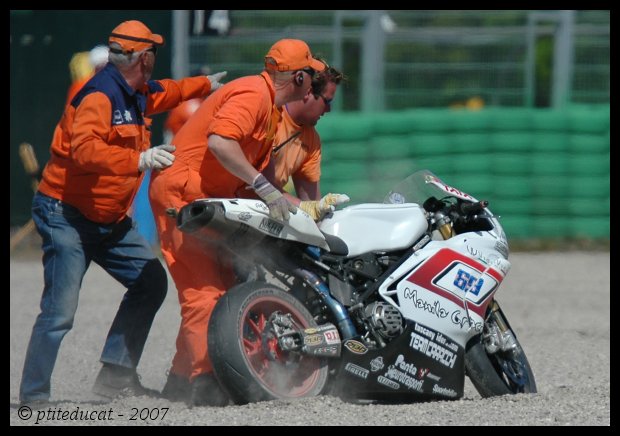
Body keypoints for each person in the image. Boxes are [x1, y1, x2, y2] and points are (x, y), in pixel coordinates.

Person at [18, 19, 227, 407]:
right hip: (65, 215)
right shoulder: (99, 96)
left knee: (149, 282)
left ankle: (114, 378)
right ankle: (33, 397)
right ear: (144, 58)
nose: (155, 62)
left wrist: (205, 85)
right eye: (153, 54)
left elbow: (169, 91)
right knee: (60, 312)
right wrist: (140, 158)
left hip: (105, 219)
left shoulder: (135, 90)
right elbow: (85, 151)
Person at [149, 38, 325, 406]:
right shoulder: (252, 95)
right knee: (204, 296)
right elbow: (221, 144)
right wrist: (268, 190)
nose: (315, 82)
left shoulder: (271, 107)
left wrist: (306, 208)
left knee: (226, 292)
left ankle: (180, 382)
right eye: (310, 73)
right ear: (296, 78)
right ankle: (205, 383)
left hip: (207, 201)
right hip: (183, 198)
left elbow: (255, 176)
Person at [263, 63, 350, 220]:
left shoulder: (312, 141)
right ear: (308, 92)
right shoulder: (268, 116)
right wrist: (305, 208)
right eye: (327, 102)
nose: (328, 110)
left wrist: (319, 213)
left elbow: (312, 204)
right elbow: (259, 184)